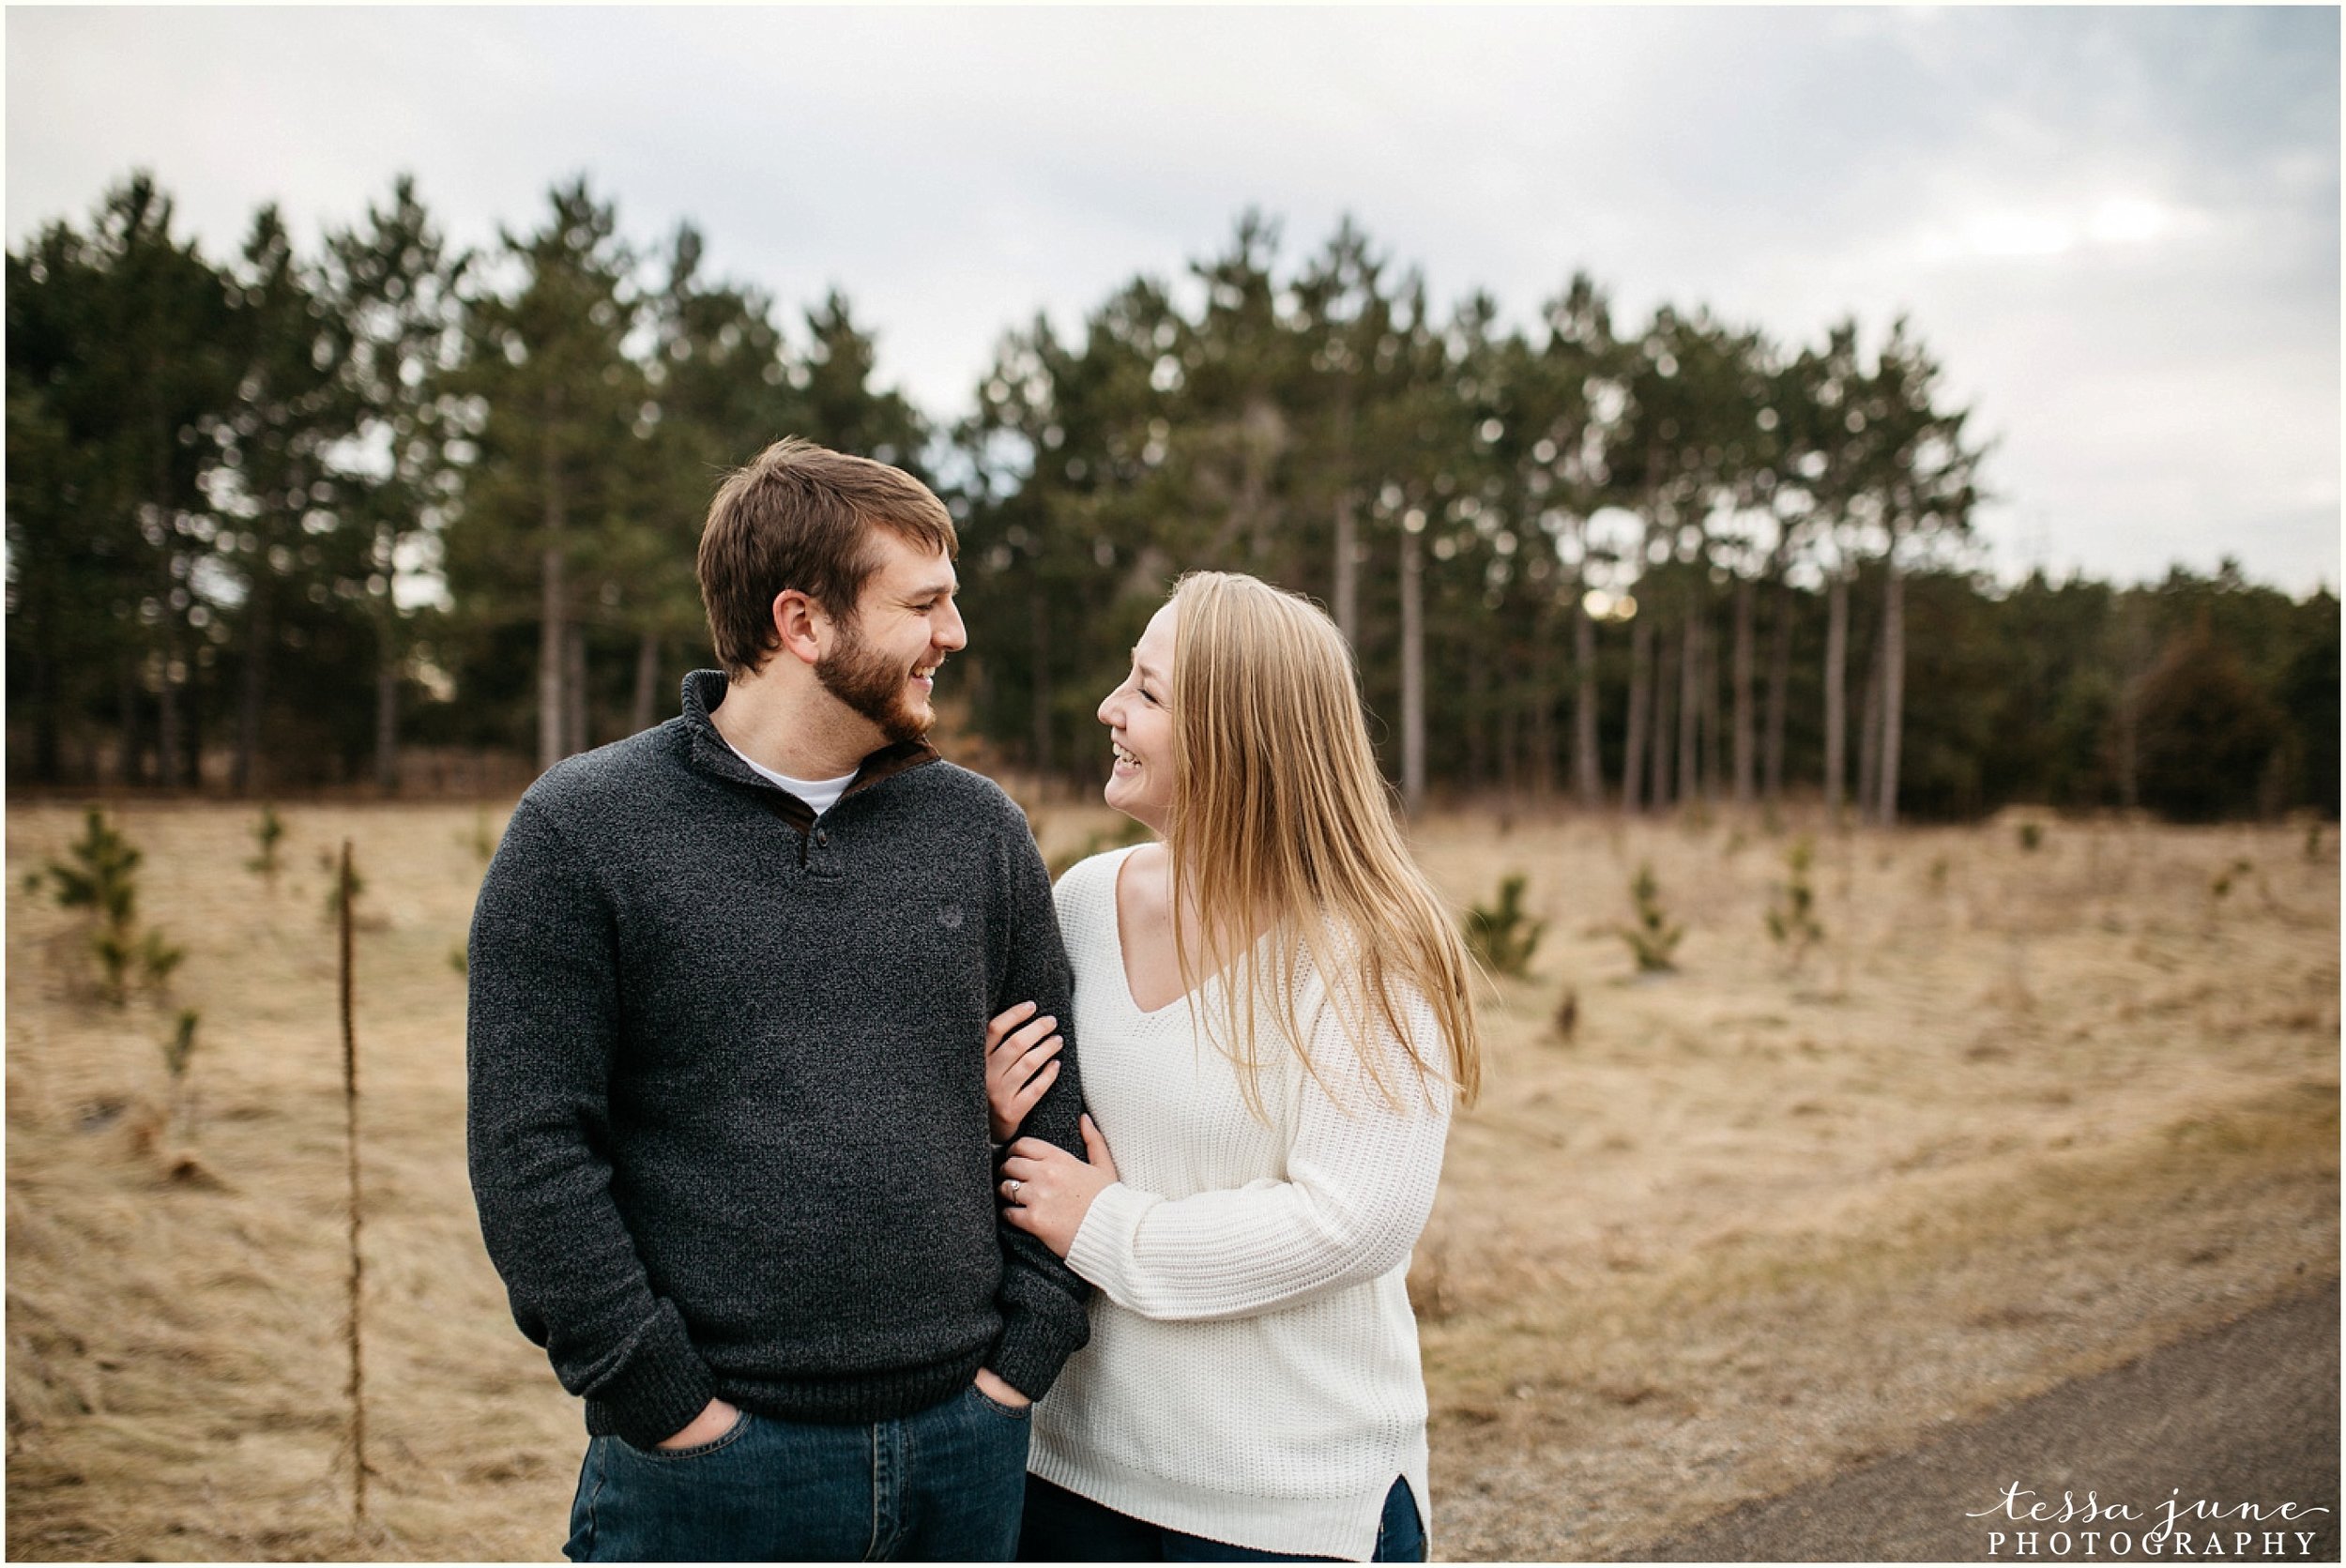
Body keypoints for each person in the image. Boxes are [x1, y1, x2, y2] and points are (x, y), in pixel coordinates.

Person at [465, 437, 1091, 1563]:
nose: (953, 636)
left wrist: (1019, 1365)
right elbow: (532, 1149)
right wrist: (663, 1402)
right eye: (925, 604)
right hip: (713, 1469)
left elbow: (1054, 1096)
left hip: (967, 1442)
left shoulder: (978, 831)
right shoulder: (582, 831)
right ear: (803, 624)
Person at [982, 571, 1484, 1562]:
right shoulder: (1083, 901)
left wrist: (1110, 1228)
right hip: (1067, 1470)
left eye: (1149, 692)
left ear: (1238, 735)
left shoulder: (1366, 948)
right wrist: (994, 1114)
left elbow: (1352, 1221)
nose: (1108, 710)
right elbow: (1051, 1147)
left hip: (1280, 1507)